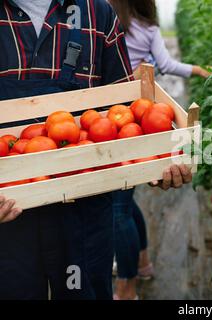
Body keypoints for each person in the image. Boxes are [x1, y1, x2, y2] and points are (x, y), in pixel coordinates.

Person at [0, 0, 192, 300]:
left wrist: (152, 161)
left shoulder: (97, 13)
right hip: (7, 217)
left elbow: (125, 114)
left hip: (84, 208)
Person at [108, 0, 212, 300]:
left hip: (116, 122)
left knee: (118, 211)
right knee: (125, 202)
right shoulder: (148, 27)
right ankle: (142, 263)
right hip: (140, 120)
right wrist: (198, 70)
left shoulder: (107, 24)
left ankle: (126, 287)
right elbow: (165, 65)